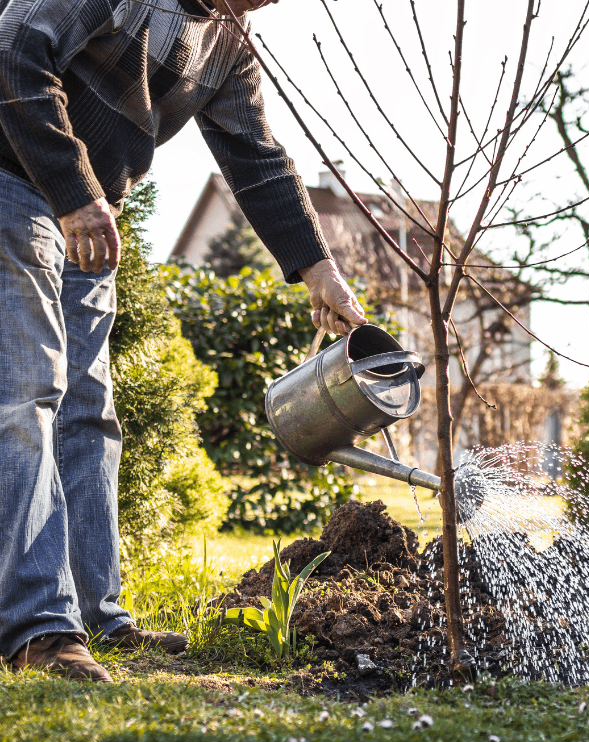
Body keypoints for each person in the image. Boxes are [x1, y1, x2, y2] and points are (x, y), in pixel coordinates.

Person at [0, 0, 366, 682]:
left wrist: (322, 273)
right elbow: (14, 45)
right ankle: (39, 628)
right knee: (28, 395)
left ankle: (99, 619)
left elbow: (258, 159)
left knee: (87, 413)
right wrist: (75, 192)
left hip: (88, 209)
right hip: (14, 178)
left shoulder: (227, 39)